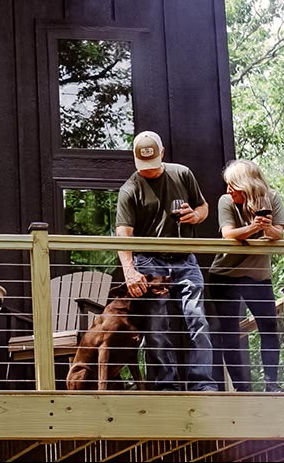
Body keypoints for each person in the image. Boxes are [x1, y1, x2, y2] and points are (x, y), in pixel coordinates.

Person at [114, 131, 217, 392]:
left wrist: (195, 216)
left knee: (197, 319)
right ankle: (165, 386)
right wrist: (130, 270)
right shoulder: (130, 189)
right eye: (143, 166)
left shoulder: (182, 173)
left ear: (162, 153)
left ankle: (202, 384)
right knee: (157, 326)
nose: (148, 171)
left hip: (185, 259)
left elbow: (203, 207)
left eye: (153, 164)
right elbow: (123, 234)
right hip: (149, 262)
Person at [208, 159, 284, 392]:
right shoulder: (226, 201)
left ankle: (271, 384)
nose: (227, 190)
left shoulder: (271, 198)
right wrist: (254, 228)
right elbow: (229, 234)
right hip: (225, 274)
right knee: (230, 332)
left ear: (245, 184)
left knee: (269, 327)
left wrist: (266, 227)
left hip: (258, 276)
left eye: (231, 185)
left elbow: (278, 234)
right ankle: (242, 388)